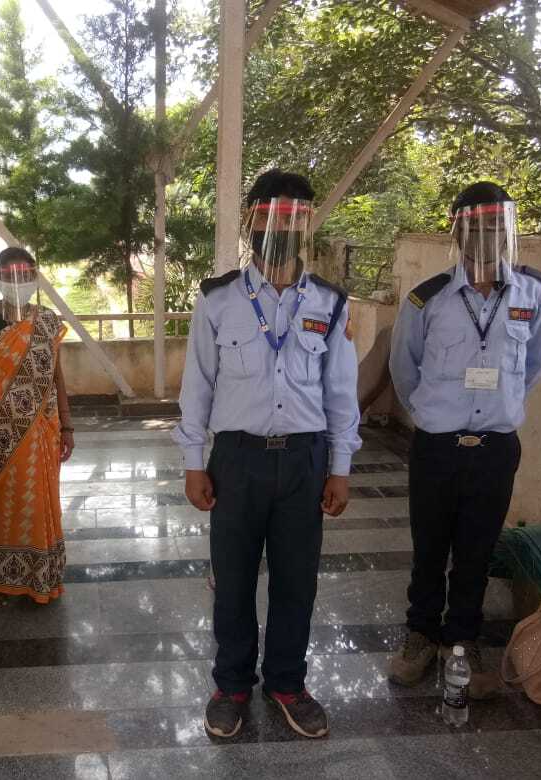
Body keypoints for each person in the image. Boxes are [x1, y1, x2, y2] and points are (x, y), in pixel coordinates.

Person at [174, 169, 361, 741]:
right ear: (252, 220)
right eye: (272, 216)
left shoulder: (329, 303)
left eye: (295, 219)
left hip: (304, 461)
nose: (281, 229)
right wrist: (193, 461)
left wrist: (340, 467)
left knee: (296, 582)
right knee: (231, 581)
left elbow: (340, 391)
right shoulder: (219, 299)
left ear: (307, 227)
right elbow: (197, 385)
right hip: (237, 460)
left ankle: (286, 682)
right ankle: (230, 685)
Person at [388, 182, 541, 698]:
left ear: (507, 232)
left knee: (477, 550)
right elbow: (403, 367)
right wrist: (433, 416)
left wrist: (499, 410)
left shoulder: (533, 293)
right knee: (430, 548)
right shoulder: (427, 297)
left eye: (494, 227)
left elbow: (532, 365)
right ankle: (420, 635)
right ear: (456, 231)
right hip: (438, 446)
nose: (484, 237)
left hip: (496, 448)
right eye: (473, 226)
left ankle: (462, 639)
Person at [0, 247, 74, 607]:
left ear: (34, 278)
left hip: (43, 430)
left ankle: (41, 574)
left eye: (25, 276)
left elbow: (56, 376)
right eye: (9, 276)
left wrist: (68, 425)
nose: (18, 283)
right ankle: (0, 580)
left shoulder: (46, 320)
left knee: (42, 502)